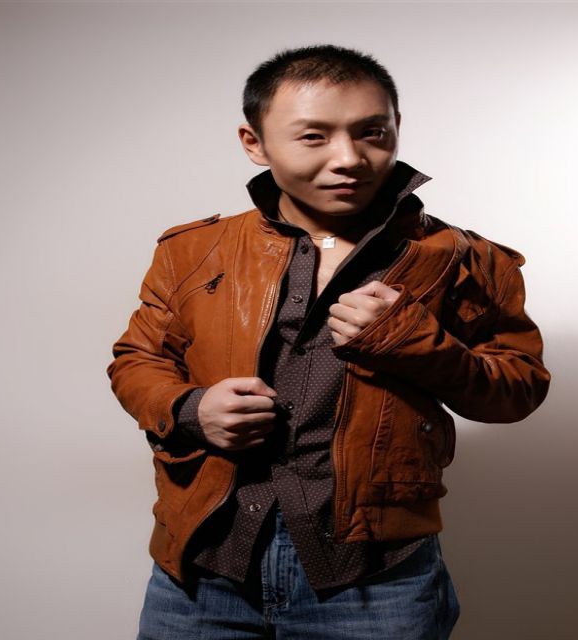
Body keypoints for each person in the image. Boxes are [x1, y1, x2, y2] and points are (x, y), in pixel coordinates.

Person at [106, 44, 551, 640]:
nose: (350, 159)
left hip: (376, 579)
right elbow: (137, 361)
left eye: (372, 133)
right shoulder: (193, 251)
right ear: (254, 142)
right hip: (204, 567)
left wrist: (413, 341)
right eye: (313, 137)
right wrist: (192, 409)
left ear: (397, 128)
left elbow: (517, 391)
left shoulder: (466, 261)